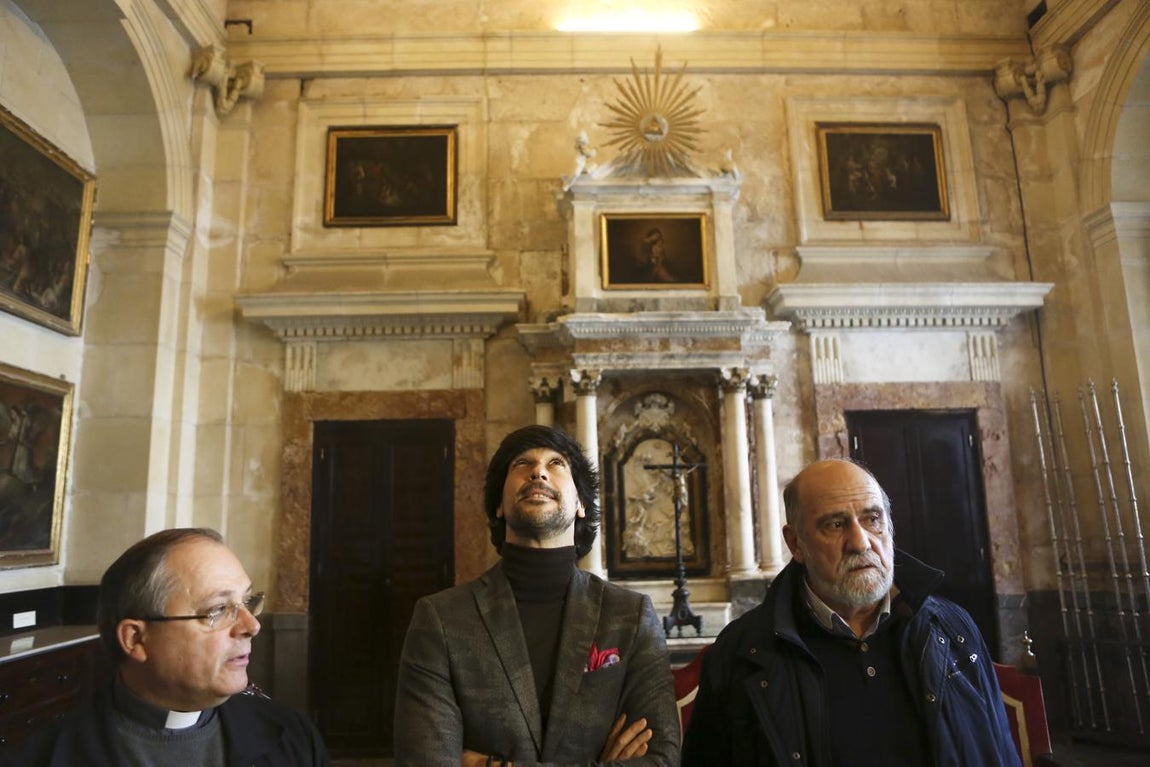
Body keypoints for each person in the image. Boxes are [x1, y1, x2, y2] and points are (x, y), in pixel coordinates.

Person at [681, 459, 1019, 767]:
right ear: (796, 543)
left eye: (873, 519)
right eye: (834, 524)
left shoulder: (951, 628)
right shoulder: (741, 653)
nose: (860, 542)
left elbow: (1000, 754)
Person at [394, 425, 680, 766]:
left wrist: (491, 765)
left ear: (581, 505)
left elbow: (661, 758)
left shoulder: (630, 615)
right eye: (521, 464)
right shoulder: (440, 618)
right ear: (499, 506)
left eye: (556, 463)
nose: (538, 471)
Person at [6, 528, 330, 766]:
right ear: (136, 639)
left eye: (247, 601)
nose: (252, 626)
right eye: (217, 610)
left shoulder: (294, 737)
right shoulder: (39, 758)